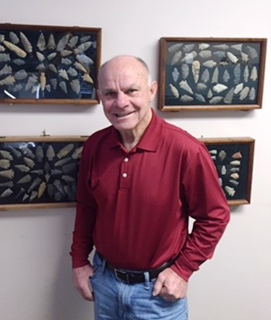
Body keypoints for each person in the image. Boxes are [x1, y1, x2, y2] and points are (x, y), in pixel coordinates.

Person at [70, 55, 230, 320]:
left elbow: (215, 216)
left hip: (156, 294)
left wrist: (183, 270)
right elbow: (87, 208)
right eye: (110, 93)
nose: (121, 102)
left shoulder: (186, 150)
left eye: (131, 90)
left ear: (152, 90)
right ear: (100, 97)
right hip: (105, 284)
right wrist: (78, 260)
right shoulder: (95, 146)